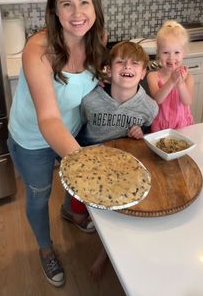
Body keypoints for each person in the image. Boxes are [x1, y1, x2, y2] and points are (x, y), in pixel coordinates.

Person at [7, 0, 108, 287]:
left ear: (96, 6)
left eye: (85, 2)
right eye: (66, 4)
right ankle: (46, 248)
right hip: (32, 137)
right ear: (53, 10)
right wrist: (86, 162)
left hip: (72, 126)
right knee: (39, 194)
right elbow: (48, 119)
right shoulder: (37, 49)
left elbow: (88, 86)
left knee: (72, 184)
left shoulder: (98, 38)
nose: (77, 13)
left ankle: (71, 212)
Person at [76, 40, 159, 279]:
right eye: (120, 61)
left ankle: (106, 255)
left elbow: (148, 134)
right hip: (90, 162)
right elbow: (78, 127)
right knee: (79, 209)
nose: (127, 66)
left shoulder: (148, 107)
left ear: (143, 72)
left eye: (134, 63)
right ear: (109, 70)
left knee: (116, 216)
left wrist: (140, 134)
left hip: (123, 167)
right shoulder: (89, 100)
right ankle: (70, 211)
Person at [147, 20, 194, 132]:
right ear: (158, 53)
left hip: (183, 125)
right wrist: (172, 82)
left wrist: (180, 82)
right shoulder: (153, 76)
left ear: (184, 53)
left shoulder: (188, 78)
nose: (171, 58)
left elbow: (187, 101)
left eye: (176, 52)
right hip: (160, 126)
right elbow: (157, 100)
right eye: (165, 52)